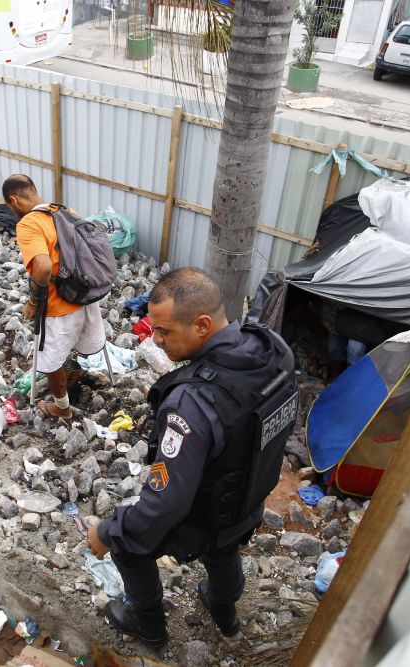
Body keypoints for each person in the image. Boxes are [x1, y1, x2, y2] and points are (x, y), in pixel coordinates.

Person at [86, 267, 298, 648]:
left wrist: (108, 531)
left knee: (127, 541)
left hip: (205, 517)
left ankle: (147, 624)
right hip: (247, 501)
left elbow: (163, 506)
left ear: (201, 325)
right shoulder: (271, 352)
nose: (156, 340)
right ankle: (224, 609)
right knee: (224, 548)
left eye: (165, 331)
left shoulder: (192, 403)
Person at [3, 174, 106, 422]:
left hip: (60, 307)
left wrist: (33, 302)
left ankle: (62, 407)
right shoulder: (65, 210)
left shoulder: (28, 224)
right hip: (86, 296)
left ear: (13, 200)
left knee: (50, 361)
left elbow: (42, 266)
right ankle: (83, 374)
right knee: (81, 345)